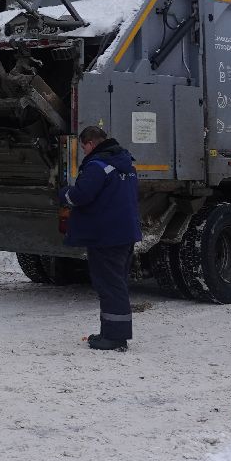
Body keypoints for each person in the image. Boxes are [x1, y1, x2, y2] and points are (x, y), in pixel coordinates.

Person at [54, 125, 141, 351]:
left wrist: (63, 194)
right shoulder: (126, 164)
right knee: (116, 283)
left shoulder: (97, 166)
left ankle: (114, 337)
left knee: (109, 285)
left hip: (106, 235)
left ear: (91, 143)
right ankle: (111, 332)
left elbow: (81, 195)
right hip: (125, 232)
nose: (84, 152)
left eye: (84, 148)